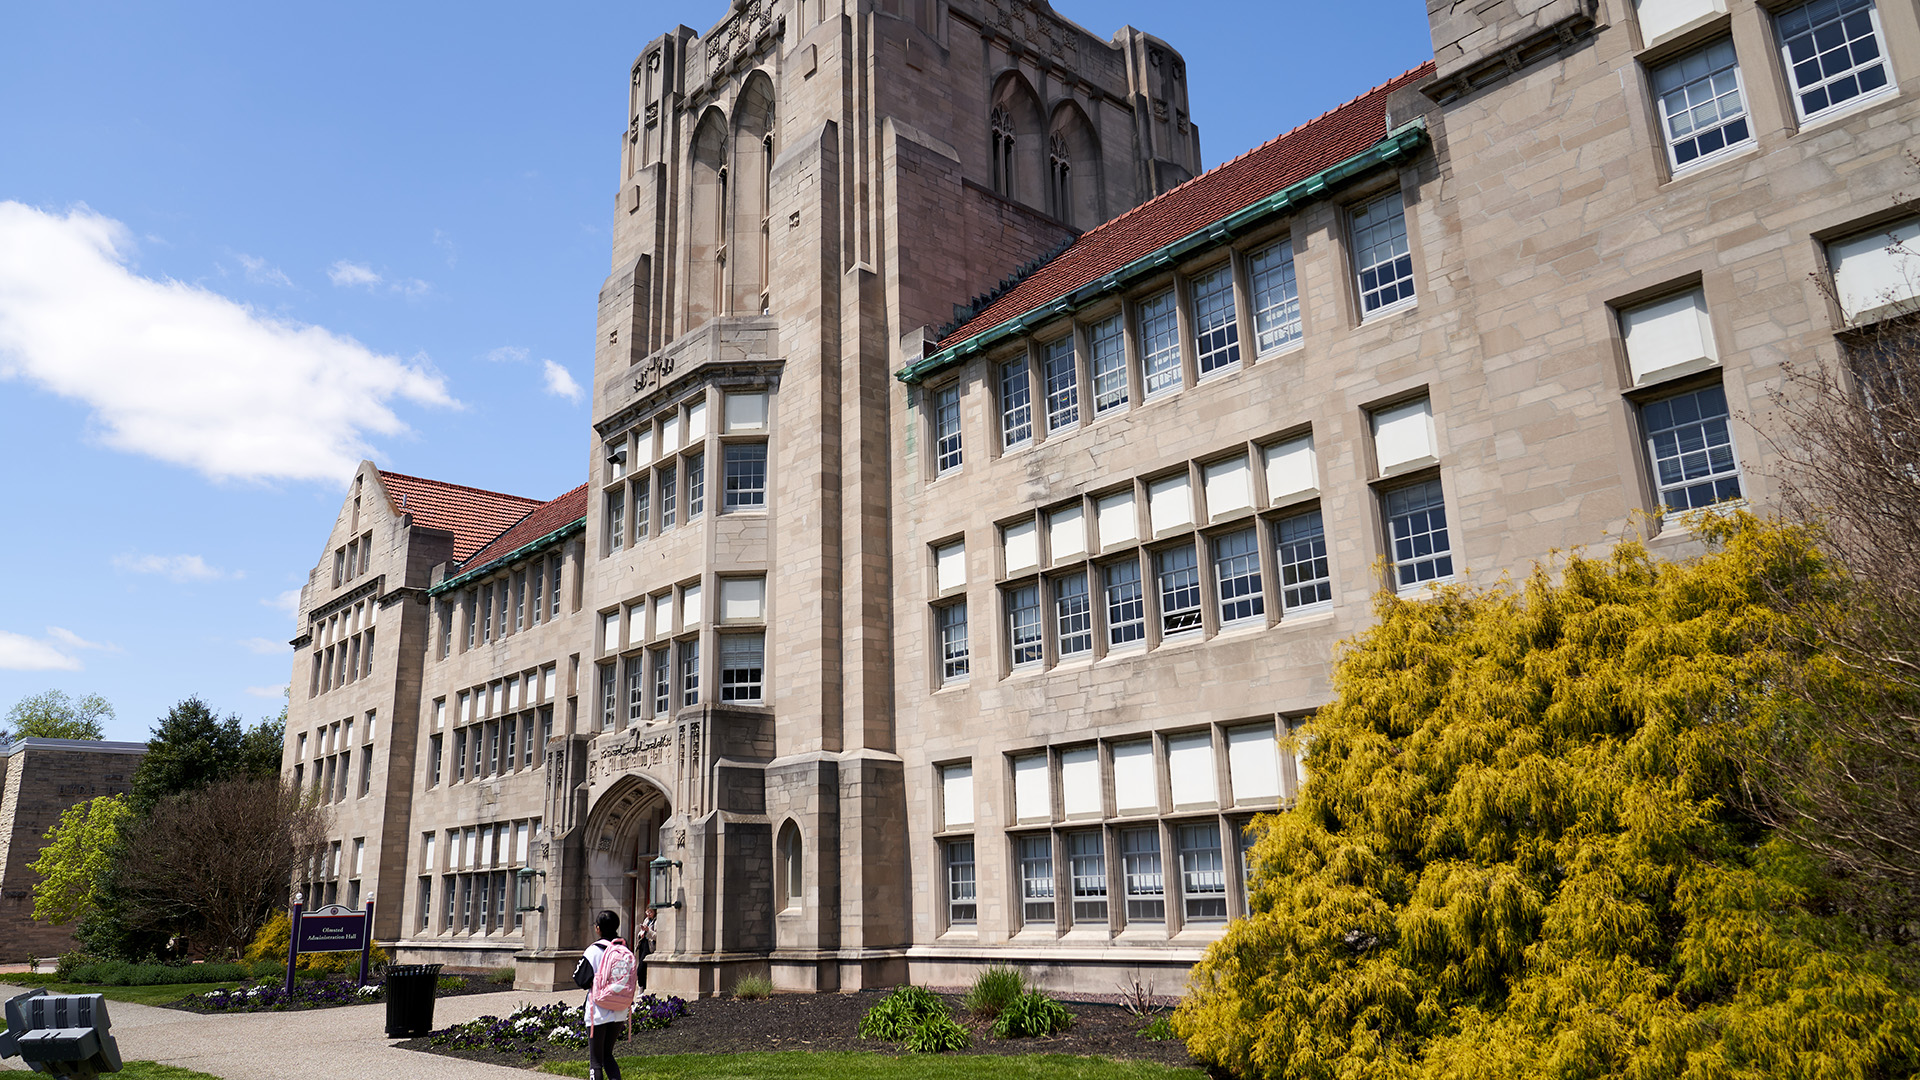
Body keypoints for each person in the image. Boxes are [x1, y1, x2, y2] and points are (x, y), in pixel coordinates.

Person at [573, 909, 636, 1080]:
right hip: (620, 1009)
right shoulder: (624, 949)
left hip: (598, 1011)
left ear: (598, 928)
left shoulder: (593, 951)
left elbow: (581, 980)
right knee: (608, 1055)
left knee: (596, 1061)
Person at [636, 906, 658, 988]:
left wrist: (648, 931)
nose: (648, 914)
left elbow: (656, 936)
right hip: (643, 944)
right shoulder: (646, 920)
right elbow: (640, 932)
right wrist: (641, 933)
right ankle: (641, 987)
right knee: (641, 967)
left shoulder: (656, 921)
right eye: (647, 912)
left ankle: (642, 986)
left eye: (650, 912)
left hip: (649, 945)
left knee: (641, 967)